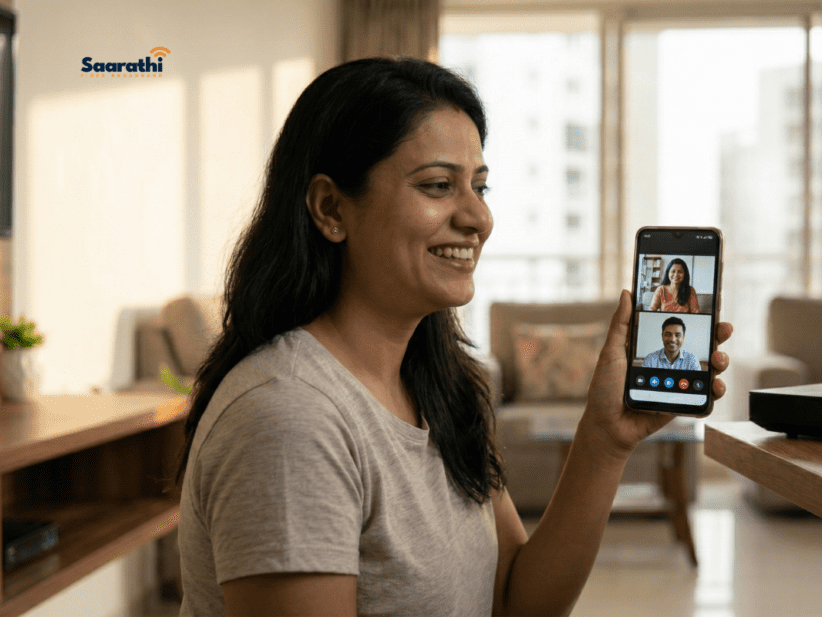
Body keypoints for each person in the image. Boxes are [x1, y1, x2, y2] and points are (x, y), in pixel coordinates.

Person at [175, 57, 732, 617]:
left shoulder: (437, 386)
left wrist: (604, 440)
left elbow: (517, 601)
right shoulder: (289, 418)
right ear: (330, 208)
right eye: (438, 186)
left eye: (480, 187)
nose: (479, 219)